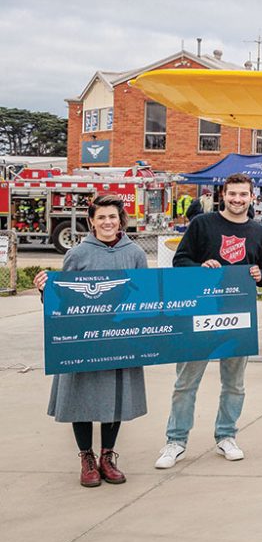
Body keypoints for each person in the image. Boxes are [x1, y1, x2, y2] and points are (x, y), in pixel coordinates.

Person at [155, 172, 262, 469]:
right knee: (186, 382)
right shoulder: (202, 224)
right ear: (223, 194)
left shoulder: (259, 232)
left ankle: (226, 436)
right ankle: (175, 441)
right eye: (232, 194)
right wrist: (200, 266)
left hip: (238, 316)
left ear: (252, 197)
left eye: (243, 195)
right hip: (199, 315)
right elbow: (179, 260)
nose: (237, 199)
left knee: (234, 383)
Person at [35, 195, 148, 488]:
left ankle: (107, 457)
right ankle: (86, 457)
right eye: (101, 218)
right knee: (81, 397)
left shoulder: (135, 253)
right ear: (91, 222)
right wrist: (45, 290)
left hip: (119, 337)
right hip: (83, 340)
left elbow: (144, 297)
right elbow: (62, 299)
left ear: (120, 219)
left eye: (112, 217)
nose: (107, 222)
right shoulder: (78, 254)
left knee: (115, 396)